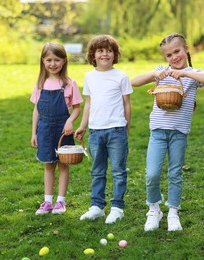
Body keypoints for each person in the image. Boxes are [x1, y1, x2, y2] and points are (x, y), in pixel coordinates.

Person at [131, 33, 204, 231]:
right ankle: (154, 210)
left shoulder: (193, 74)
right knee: (151, 174)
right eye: (169, 55)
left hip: (179, 133)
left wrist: (185, 74)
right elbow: (135, 82)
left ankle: (173, 212)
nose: (174, 57)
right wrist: (154, 75)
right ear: (165, 58)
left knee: (175, 173)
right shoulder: (162, 71)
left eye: (177, 51)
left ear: (186, 49)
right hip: (158, 132)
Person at [75, 35, 133, 224]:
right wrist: (83, 126)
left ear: (115, 54)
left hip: (116, 130)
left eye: (109, 50)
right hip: (95, 131)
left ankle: (117, 208)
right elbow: (88, 103)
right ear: (93, 55)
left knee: (118, 171)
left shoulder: (121, 77)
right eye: (100, 51)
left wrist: (126, 128)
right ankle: (97, 207)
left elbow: (127, 104)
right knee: (97, 170)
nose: (105, 54)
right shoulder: (90, 77)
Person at [30, 42, 83, 215]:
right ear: (43, 61)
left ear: (64, 61)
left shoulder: (68, 84)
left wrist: (70, 122)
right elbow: (36, 110)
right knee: (48, 165)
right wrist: (34, 132)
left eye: (57, 60)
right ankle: (47, 201)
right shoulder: (40, 84)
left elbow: (77, 108)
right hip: (44, 130)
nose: (53, 64)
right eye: (49, 60)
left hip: (63, 130)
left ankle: (60, 202)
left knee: (63, 164)